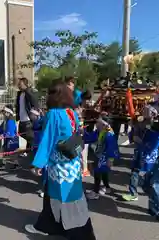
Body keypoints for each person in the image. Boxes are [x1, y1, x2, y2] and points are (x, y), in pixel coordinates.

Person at [25, 81, 96, 240]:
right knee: (60, 196)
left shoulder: (54, 114)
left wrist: (38, 163)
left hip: (58, 165)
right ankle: (47, 225)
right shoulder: (71, 112)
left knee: (66, 200)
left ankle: (79, 234)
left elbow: (47, 140)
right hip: (71, 162)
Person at [85, 116, 119, 200]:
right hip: (99, 156)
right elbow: (90, 137)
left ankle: (95, 192)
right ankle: (107, 188)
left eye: (98, 123)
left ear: (103, 125)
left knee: (97, 174)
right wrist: (83, 133)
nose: (96, 124)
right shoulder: (98, 132)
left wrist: (110, 159)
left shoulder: (109, 134)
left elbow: (112, 147)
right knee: (104, 173)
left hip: (104, 157)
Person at [16, 78, 39, 157]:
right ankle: (29, 150)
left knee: (29, 136)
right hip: (22, 118)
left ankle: (31, 151)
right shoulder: (19, 94)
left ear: (25, 84)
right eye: (18, 84)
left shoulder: (29, 92)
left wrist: (33, 114)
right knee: (21, 133)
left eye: (20, 84)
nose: (19, 85)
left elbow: (34, 102)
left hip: (28, 118)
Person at [0, 105, 19, 169]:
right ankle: (5, 164)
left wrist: (2, 135)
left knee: (12, 153)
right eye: (3, 112)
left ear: (8, 112)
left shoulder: (11, 120)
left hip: (12, 140)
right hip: (8, 139)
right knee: (5, 151)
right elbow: (1, 128)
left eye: (4, 112)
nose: (3, 113)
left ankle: (14, 165)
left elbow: (10, 132)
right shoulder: (6, 120)